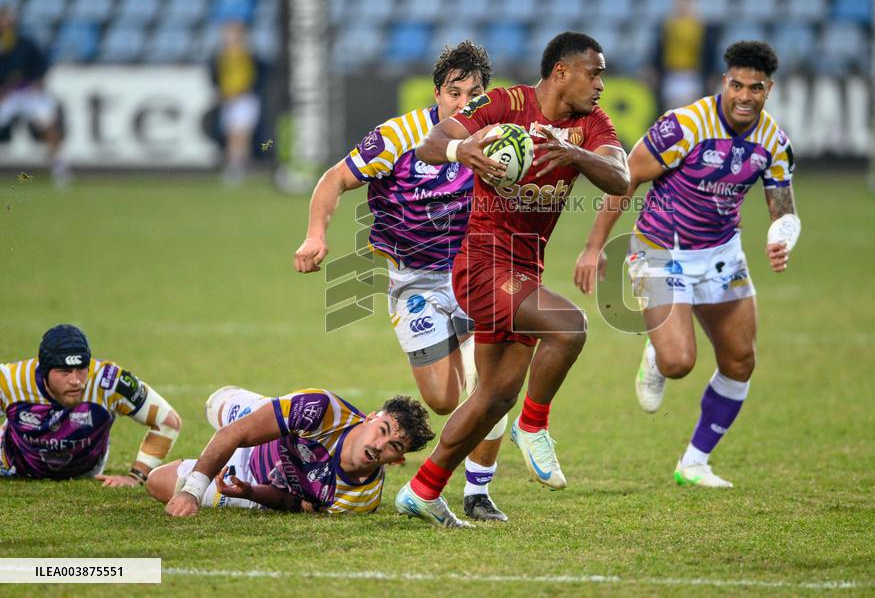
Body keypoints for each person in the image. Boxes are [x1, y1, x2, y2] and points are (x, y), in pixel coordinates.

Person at [394, 31, 629, 527]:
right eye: (595, 73)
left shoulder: (591, 124)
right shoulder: (505, 103)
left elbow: (621, 177)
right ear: (562, 71)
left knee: (493, 396)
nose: (601, 85)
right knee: (570, 326)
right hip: (482, 264)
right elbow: (431, 144)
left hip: (526, 268)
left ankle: (423, 489)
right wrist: (461, 150)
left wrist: (575, 156)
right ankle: (534, 425)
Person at [293, 41, 510, 521]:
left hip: (473, 273)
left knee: (491, 384)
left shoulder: (498, 138)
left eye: (474, 94)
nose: (464, 103)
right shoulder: (397, 136)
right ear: (437, 93)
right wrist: (315, 235)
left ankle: (478, 491)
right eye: (454, 92)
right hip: (413, 282)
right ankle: (484, 403)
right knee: (444, 399)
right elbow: (334, 179)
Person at [574, 40, 798, 489]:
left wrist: (782, 238)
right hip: (661, 250)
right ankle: (657, 356)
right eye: (737, 85)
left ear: (768, 89)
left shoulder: (774, 142)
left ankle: (695, 462)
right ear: (724, 82)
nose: (744, 96)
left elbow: (784, 211)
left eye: (755, 88)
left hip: (722, 255)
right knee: (679, 362)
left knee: (740, 361)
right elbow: (626, 178)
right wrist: (594, 246)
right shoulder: (684, 126)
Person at [150, 385, 434, 516]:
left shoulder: (362, 499)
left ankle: (226, 485)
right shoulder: (323, 409)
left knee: (157, 481)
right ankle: (274, 409)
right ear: (370, 418)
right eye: (382, 430)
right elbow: (233, 433)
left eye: (394, 446)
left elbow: (294, 504)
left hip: (255, 479)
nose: (379, 445)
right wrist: (192, 491)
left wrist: (250, 493)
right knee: (216, 401)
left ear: (397, 459)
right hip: (263, 436)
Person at [0, 324, 182, 485]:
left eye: (81, 369)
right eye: (64, 372)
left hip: (84, 475)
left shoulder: (109, 381)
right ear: (44, 371)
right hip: (12, 471)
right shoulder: (10, 380)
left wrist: (136, 477)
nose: (75, 381)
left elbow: (168, 421)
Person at [0, 5, 67, 187]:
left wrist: (38, 81)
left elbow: (42, 65)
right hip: (7, 94)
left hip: (28, 92)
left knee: (50, 126)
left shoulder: (25, 44)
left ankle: (58, 169)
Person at [209, 20, 266, 186]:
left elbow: (251, 79)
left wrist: (238, 93)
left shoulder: (246, 56)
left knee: (240, 136)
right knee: (232, 135)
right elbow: (218, 77)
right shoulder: (222, 56)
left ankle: (237, 168)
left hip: (243, 100)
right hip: (229, 100)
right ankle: (237, 167)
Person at [650, 0, 716, 114]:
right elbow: (659, 50)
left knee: (691, 111)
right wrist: (655, 70)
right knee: (671, 112)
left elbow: (709, 52)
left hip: (692, 75)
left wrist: (711, 74)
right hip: (672, 74)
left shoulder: (702, 26)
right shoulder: (668, 26)